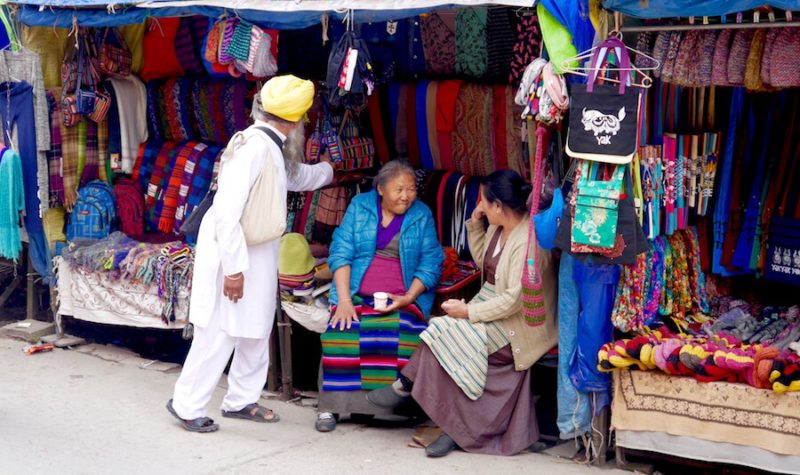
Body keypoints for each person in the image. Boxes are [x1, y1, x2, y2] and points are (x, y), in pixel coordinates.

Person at [167, 75, 334, 432]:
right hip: (236, 254)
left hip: (257, 254)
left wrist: (330, 171)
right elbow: (227, 213)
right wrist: (234, 270)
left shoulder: (271, 146)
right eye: (303, 118)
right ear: (292, 120)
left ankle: (242, 399)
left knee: (254, 329)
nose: (304, 124)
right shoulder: (253, 148)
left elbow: (294, 177)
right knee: (220, 332)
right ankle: (187, 405)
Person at [367, 169, 558, 457]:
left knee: (445, 334)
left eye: (483, 200)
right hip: (493, 308)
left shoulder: (528, 243)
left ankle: (408, 390)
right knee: (439, 331)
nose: (478, 204)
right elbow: (485, 262)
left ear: (498, 206)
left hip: (520, 325)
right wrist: (474, 223)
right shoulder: (499, 227)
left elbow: (512, 302)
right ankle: (431, 410)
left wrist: (468, 311)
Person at [315, 160, 444, 432]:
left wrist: (409, 297)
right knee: (342, 330)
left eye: (411, 189)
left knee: (404, 332)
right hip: (356, 295)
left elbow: (432, 261)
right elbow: (341, 252)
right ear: (381, 188)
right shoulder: (360, 207)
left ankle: (386, 408)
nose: (406, 196)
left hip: (402, 300)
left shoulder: (421, 214)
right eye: (399, 189)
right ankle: (331, 406)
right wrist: (345, 301)